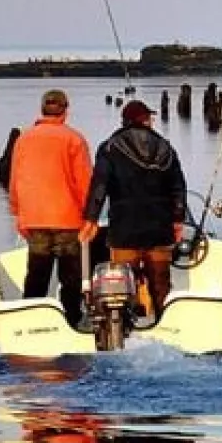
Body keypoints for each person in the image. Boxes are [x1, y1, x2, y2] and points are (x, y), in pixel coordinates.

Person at [80, 100, 188, 320]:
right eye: (150, 117)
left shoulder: (110, 147)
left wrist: (91, 219)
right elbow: (178, 187)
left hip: (124, 229)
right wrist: (177, 220)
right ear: (145, 120)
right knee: (160, 286)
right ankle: (163, 325)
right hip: (159, 229)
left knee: (120, 287)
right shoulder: (166, 147)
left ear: (125, 120)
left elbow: (100, 186)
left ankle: (122, 329)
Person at [8, 89, 93, 326]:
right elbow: (84, 182)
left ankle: (29, 322)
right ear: (66, 110)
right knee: (70, 277)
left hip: (34, 218)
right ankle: (71, 322)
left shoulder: (24, 139)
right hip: (67, 219)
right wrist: (90, 216)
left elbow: (15, 180)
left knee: (37, 274)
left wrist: (18, 214)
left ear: (42, 108)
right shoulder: (74, 139)